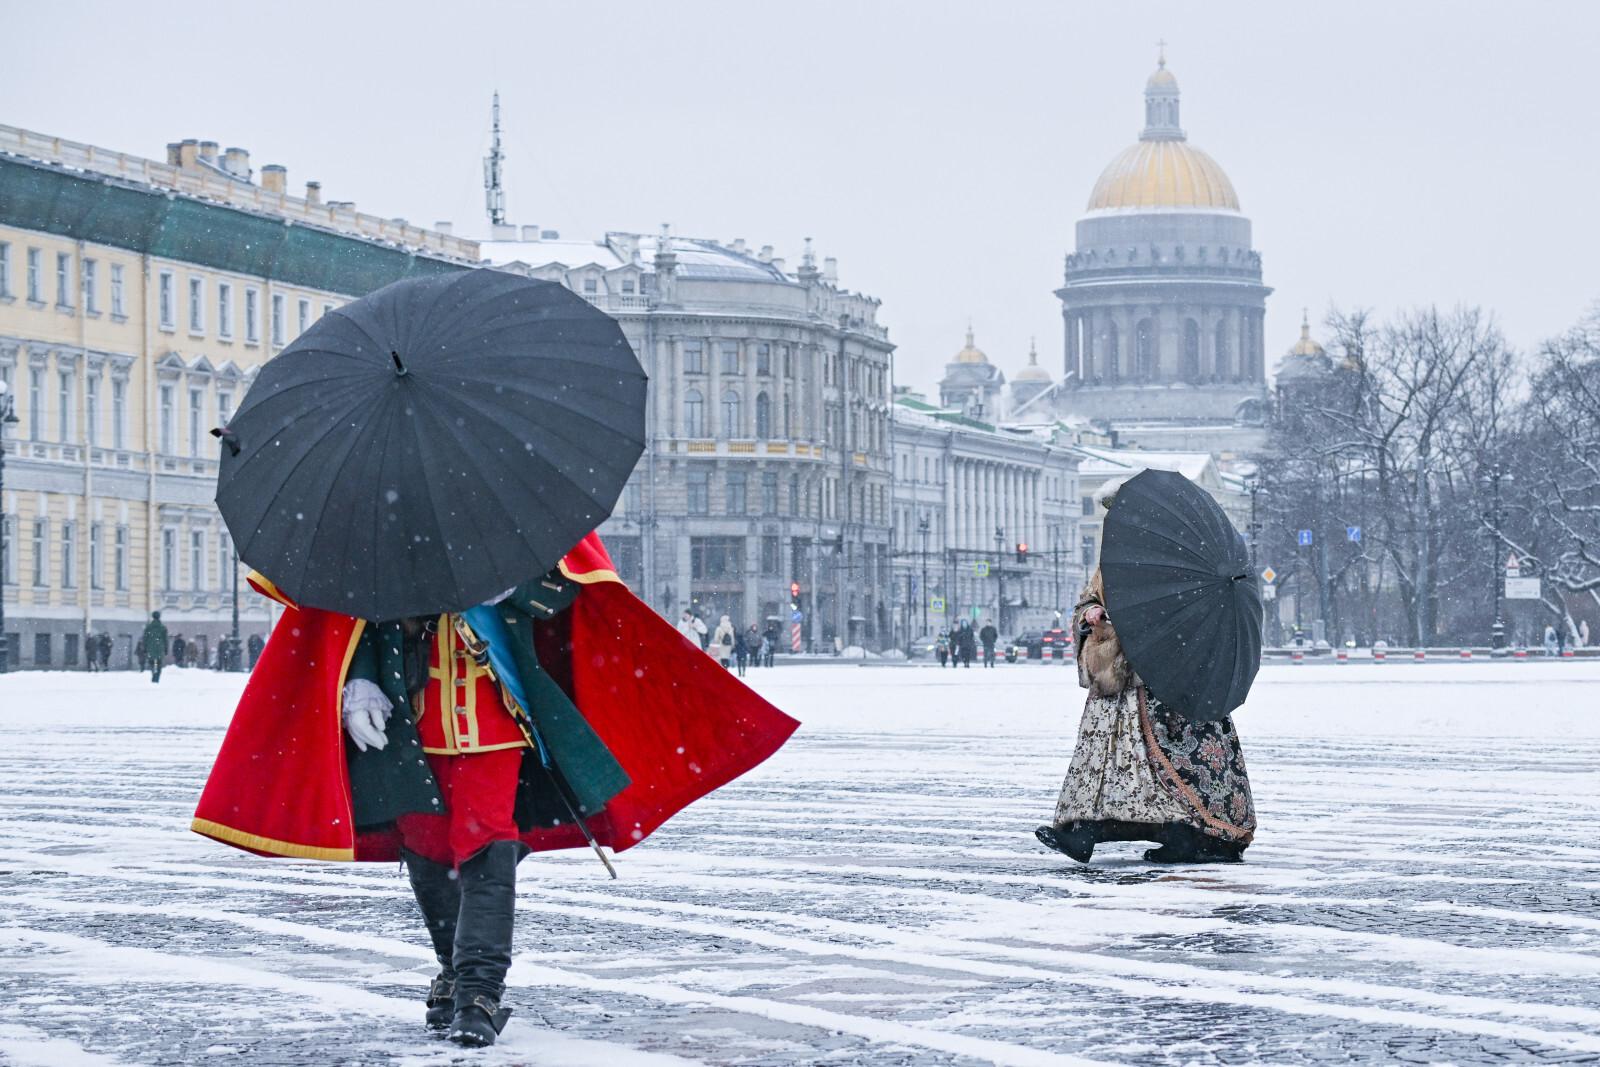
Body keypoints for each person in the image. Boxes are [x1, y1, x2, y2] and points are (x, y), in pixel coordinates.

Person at [194, 534, 798, 1048]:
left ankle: (480, 993)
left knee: (484, 840)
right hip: (411, 717)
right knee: (427, 847)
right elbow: (348, 614)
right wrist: (357, 682)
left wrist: (512, 588)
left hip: (492, 717)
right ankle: (452, 973)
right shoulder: (374, 522)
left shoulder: (516, 511)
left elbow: (566, 587)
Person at [1036, 566, 1256, 865]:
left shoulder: (1191, 564)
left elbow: (1197, 616)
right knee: (1104, 760)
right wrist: (1093, 612)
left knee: (1172, 768)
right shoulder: (1122, 556)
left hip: (1172, 682)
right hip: (1116, 679)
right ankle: (1082, 831)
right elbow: (1087, 601)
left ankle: (1187, 837)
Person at [140, 612, 168, 683]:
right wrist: (166, 649)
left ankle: (153, 674)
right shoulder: (162, 627)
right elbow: (166, 639)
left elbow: (145, 639)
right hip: (160, 648)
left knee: (152, 663)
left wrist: (145, 648)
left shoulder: (149, 627)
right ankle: (156, 676)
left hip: (150, 648)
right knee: (158, 663)